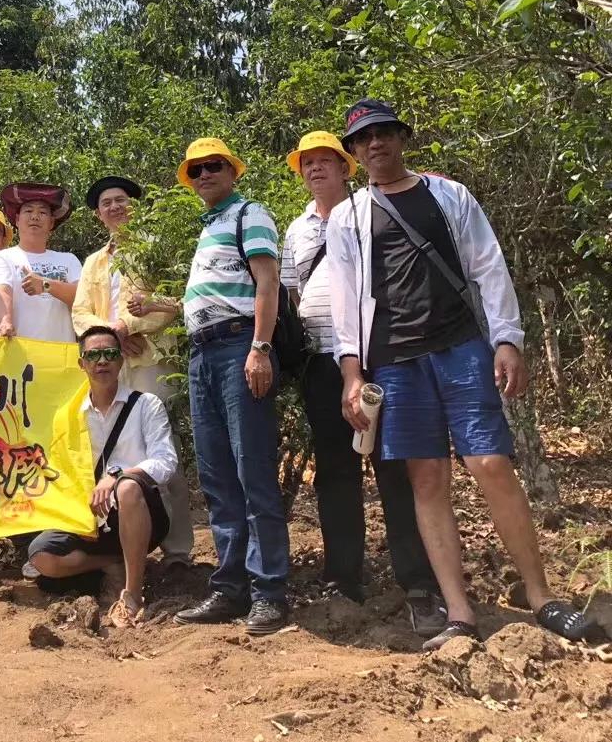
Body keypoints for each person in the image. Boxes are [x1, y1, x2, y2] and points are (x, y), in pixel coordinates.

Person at [327, 98, 595, 648]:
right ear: (354, 152)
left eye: (383, 133)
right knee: (426, 479)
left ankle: (542, 597)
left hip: (461, 347)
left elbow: (487, 265)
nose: (375, 144)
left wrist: (507, 339)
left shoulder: (448, 196)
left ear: (401, 138)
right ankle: (458, 612)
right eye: (363, 139)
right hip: (396, 360)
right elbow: (345, 300)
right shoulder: (347, 216)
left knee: (491, 463)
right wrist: (352, 374)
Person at [281, 131, 445, 636]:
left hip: (377, 358)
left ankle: (418, 582)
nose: (315, 169)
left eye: (325, 161)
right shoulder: (296, 230)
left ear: (345, 167)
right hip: (320, 365)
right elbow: (289, 295)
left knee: (393, 467)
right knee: (335, 471)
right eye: (307, 163)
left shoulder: (368, 211)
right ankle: (343, 576)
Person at [172, 138, 290, 634]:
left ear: (232, 171)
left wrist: (260, 348)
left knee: (252, 469)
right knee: (218, 475)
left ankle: (269, 592)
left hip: (239, 347)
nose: (203, 175)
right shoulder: (208, 229)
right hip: (201, 352)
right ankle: (230, 586)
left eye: (213, 166)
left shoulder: (250, 214)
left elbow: (267, 283)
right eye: (195, 170)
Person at [72, 175, 194, 567]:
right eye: (106, 202)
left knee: (162, 449)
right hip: (109, 364)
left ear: (135, 205)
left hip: (149, 361)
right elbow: (80, 313)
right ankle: (119, 547)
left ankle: (177, 551)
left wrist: (129, 327)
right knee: (103, 451)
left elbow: (175, 301)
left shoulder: (156, 250)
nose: (114, 207)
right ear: (97, 214)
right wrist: (112, 337)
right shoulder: (93, 261)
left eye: (121, 200)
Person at [28, 325, 177, 627]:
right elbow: (62, 476)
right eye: (93, 355)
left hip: (142, 512)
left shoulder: (146, 405)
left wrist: (120, 476)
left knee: (127, 490)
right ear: (81, 363)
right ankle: (113, 562)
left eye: (109, 353)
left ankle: (132, 595)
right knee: (41, 556)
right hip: (92, 521)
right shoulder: (69, 416)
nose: (102, 361)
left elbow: (166, 462)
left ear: (121, 360)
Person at [0, 183, 81, 343]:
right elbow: (2, 292)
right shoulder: (2, 258)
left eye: (42, 212)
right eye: (28, 211)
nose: (35, 217)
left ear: (51, 223)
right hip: (18, 357)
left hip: (62, 358)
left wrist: (45, 285)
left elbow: (82, 298)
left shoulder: (68, 260)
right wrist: (5, 321)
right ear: (17, 219)